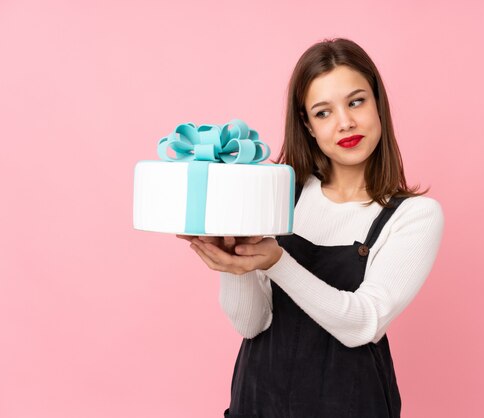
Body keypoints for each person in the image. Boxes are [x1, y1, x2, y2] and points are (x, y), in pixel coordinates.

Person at [178, 38, 444, 418]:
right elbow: (252, 324)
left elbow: (363, 324)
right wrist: (234, 260)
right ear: (307, 124)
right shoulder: (281, 195)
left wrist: (274, 262)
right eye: (323, 112)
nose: (345, 122)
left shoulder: (415, 215)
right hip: (258, 401)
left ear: (378, 103)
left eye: (356, 102)